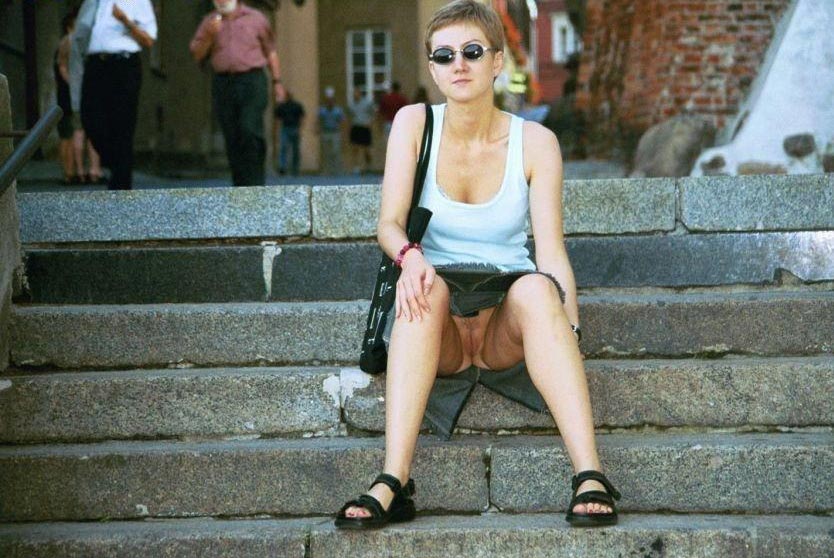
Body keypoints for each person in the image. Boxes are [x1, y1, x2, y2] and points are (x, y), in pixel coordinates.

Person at [335, 0, 621, 530]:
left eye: (471, 51)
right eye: (443, 56)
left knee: (539, 288)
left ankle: (590, 474)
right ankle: (394, 480)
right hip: (436, 319)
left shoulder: (535, 143)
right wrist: (410, 257)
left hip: (502, 327)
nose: (458, 65)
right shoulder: (414, 124)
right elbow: (389, 224)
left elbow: (551, 251)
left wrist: (569, 327)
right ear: (432, 67)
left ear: (497, 61)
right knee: (424, 287)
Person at [190, 0, 286, 186]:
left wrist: (277, 82)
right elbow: (197, 55)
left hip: (252, 80)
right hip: (224, 82)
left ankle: (255, 182)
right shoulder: (209, 22)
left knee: (249, 128)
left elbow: (271, 52)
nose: (221, 1)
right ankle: (240, 185)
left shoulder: (256, 18)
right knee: (232, 134)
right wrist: (209, 35)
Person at [71, 0, 156, 190]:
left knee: (122, 126)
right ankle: (118, 162)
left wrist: (125, 20)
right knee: (89, 118)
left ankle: (121, 186)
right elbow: (81, 34)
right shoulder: (93, 2)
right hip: (95, 64)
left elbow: (149, 40)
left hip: (123, 64)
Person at [56, 12, 103, 185]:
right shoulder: (85, 40)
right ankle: (93, 170)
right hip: (89, 92)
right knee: (90, 133)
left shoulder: (68, 41)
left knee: (78, 132)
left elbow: (62, 66)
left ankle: (81, 171)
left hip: (77, 94)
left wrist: (73, 84)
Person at [273, 91, 305, 176]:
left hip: (294, 128)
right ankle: (283, 168)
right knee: (284, 148)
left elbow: (302, 117)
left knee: (295, 150)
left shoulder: (296, 106)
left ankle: (294, 168)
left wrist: (300, 129)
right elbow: (277, 118)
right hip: (286, 129)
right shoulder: (282, 106)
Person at [347, 88, 375, 175]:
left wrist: (370, 123)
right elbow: (350, 116)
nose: (355, 95)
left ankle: (368, 167)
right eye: (354, 93)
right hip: (356, 127)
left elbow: (373, 113)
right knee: (355, 148)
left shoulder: (367, 103)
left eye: (357, 93)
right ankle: (356, 167)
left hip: (364, 127)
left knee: (367, 149)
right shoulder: (352, 105)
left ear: (360, 94)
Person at [317, 86, 344, 175]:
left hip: (335, 132)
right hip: (326, 132)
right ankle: (325, 170)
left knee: (335, 151)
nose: (330, 102)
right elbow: (319, 120)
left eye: (331, 100)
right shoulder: (322, 110)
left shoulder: (338, 110)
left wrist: (342, 132)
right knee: (325, 152)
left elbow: (342, 121)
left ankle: (336, 170)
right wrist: (318, 129)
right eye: (328, 101)